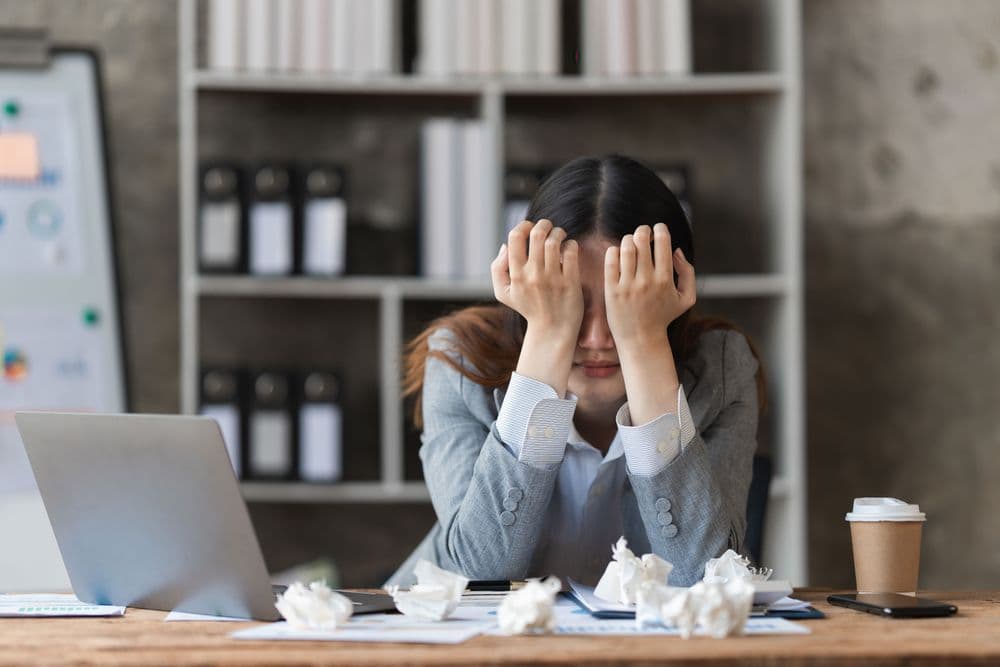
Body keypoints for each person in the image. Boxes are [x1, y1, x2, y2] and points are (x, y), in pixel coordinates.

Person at [385, 155, 765, 588]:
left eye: (625, 303)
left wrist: (644, 345)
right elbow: (481, 568)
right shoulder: (459, 362)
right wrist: (547, 335)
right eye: (574, 303)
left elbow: (707, 578)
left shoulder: (721, 368)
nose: (599, 339)